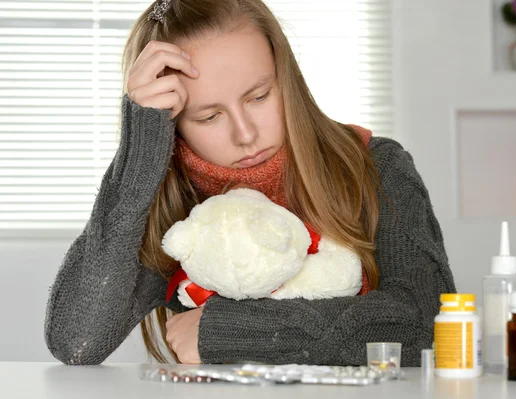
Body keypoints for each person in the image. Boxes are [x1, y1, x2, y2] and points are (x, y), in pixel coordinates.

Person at [44, 0, 456, 366]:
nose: (245, 134)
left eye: (258, 96)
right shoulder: (172, 201)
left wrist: (231, 331)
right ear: (173, 124)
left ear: (285, 79)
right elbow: (76, 343)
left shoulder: (375, 164)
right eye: (209, 117)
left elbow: (431, 323)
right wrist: (137, 157)